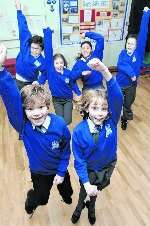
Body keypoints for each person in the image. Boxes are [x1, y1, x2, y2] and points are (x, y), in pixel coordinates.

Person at [0, 44, 73, 217]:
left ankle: (66, 195)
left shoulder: (60, 124)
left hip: (59, 167)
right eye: (30, 109)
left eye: (41, 107)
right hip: (40, 172)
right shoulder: (24, 126)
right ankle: (30, 200)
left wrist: (62, 171)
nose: (37, 112)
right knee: (42, 199)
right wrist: (1, 71)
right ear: (24, 111)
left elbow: (65, 149)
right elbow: (11, 98)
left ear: (48, 106)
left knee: (67, 190)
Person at [71, 58, 123, 225]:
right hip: (89, 169)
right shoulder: (79, 131)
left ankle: (91, 207)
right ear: (86, 108)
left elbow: (118, 97)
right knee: (84, 192)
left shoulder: (111, 121)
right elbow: (78, 160)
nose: (100, 113)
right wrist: (86, 183)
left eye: (104, 108)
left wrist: (104, 70)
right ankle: (79, 207)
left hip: (107, 167)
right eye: (95, 108)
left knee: (96, 192)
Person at [38, 27, 81, 125]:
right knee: (60, 120)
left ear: (64, 63)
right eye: (57, 63)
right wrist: (47, 33)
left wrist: (78, 92)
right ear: (53, 64)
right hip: (56, 100)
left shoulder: (68, 72)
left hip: (68, 99)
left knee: (68, 120)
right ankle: (61, 134)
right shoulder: (51, 70)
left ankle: (61, 129)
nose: (59, 65)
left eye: (61, 62)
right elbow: (48, 50)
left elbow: (73, 83)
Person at [116, 7, 150, 130]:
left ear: (136, 46)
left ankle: (125, 118)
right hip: (119, 83)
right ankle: (113, 115)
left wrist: (146, 14)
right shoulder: (123, 53)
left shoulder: (139, 53)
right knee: (116, 101)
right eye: (128, 43)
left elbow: (143, 32)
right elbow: (121, 65)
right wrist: (131, 73)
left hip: (131, 85)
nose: (129, 45)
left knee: (128, 103)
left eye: (132, 44)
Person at [14, 0, 46, 90]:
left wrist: (40, 81)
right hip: (18, 80)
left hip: (31, 83)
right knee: (20, 100)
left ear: (41, 50)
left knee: (31, 102)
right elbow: (23, 27)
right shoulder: (26, 46)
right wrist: (19, 10)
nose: (33, 50)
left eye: (37, 49)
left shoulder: (41, 60)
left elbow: (45, 72)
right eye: (32, 47)